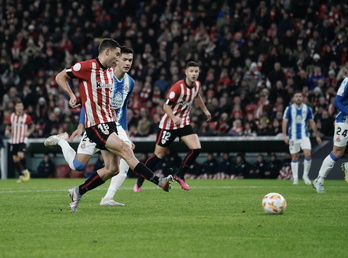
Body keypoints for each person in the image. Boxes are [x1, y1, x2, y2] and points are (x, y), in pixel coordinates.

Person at [50, 39, 173, 212]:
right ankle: (158, 181)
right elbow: (60, 76)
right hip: (96, 125)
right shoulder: (85, 67)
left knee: (113, 169)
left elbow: (111, 102)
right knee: (125, 150)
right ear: (107, 52)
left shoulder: (110, 73)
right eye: (117, 55)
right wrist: (71, 95)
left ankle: (78, 191)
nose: (119, 59)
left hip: (111, 124)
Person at [45, 46, 138, 207]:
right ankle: (62, 141)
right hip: (93, 124)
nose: (127, 62)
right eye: (123, 58)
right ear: (116, 59)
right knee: (78, 166)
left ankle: (108, 197)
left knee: (123, 155)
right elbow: (88, 100)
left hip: (112, 125)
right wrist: (81, 125)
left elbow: (123, 108)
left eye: (130, 60)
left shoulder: (130, 82)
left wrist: (126, 133)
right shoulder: (103, 74)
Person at [133, 61, 211, 192]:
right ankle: (140, 181)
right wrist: (174, 118)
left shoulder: (197, 85)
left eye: (196, 71)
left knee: (196, 148)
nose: (194, 74)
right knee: (158, 156)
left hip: (184, 123)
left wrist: (205, 110)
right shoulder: (177, 88)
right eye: (191, 71)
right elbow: (166, 105)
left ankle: (179, 174)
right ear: (186, 72)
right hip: (168, 125)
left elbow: (197, 96)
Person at [314, 76, 348, 193]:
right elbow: (337, 102)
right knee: (338, 152)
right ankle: (319, 180)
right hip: (344, 120)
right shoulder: (347, 81)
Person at [282, 91, 322, 185]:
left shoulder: (307, 108)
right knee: (295, 156)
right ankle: (295, 178)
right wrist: (284, 135)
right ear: (293, 98)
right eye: (296, 96)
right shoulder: (289, 109)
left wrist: (317, 135)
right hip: (293, 136)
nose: (298, 98)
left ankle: (305, 175)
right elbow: (285, 122)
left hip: (304, 136)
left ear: (303, 98)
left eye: (300, 96)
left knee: (307, 154)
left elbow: (312, 122)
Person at [5, 99, 34, 182]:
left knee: (20, 155)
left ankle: (26, 171)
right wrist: (7, 130)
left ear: (23, 107)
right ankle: (21, 176)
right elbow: (8, 125)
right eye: (18, 106)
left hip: (22, 139)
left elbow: (32, 126)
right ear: (15, 107)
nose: (19, 108)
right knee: (15, 159)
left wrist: (28, 132)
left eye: (21, 106)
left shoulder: (26, 117)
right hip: (13, 140)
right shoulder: (12, 116)